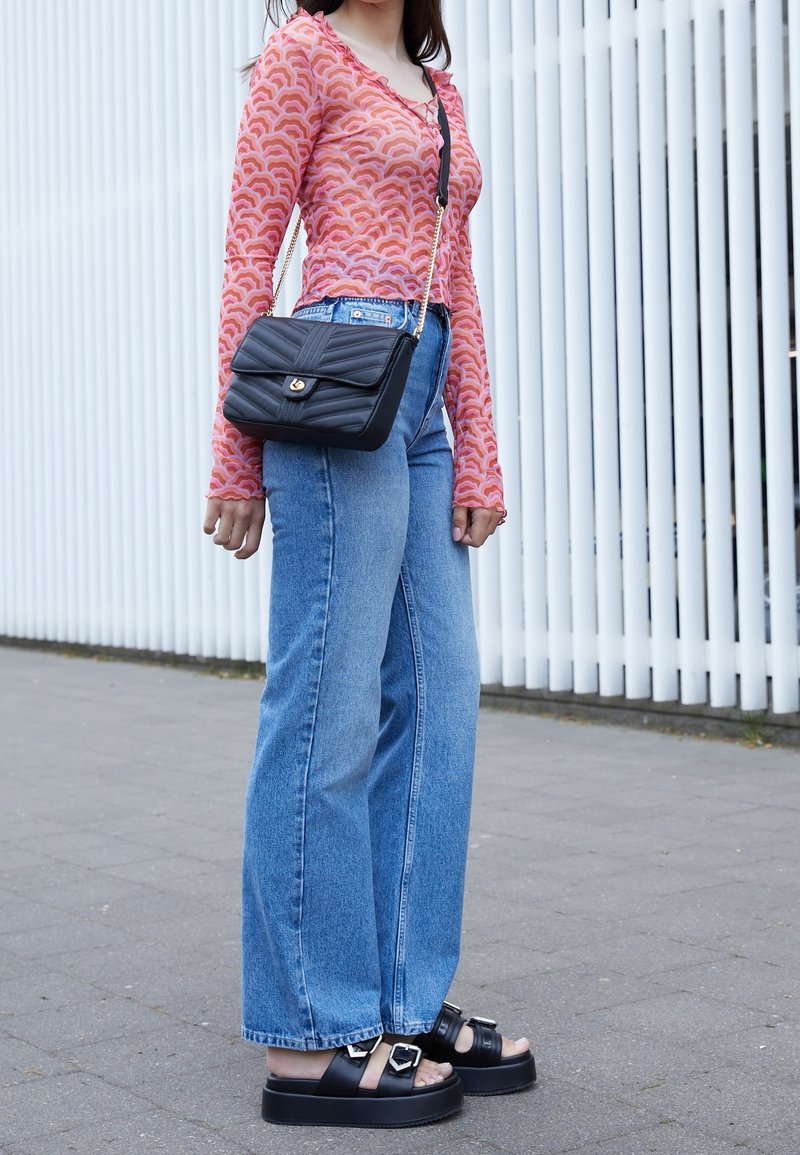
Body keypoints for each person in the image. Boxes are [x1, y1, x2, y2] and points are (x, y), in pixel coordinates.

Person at [203, 0, 535, 1129]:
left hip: (425, 396)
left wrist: (478, 450)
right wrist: (232, 456)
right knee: (327, 711)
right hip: (335, 381)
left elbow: (462, 284)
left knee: (442, 702)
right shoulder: (304, 50)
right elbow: (252, 245)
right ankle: (307, 1031)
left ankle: (400, 998)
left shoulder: (434, 80)